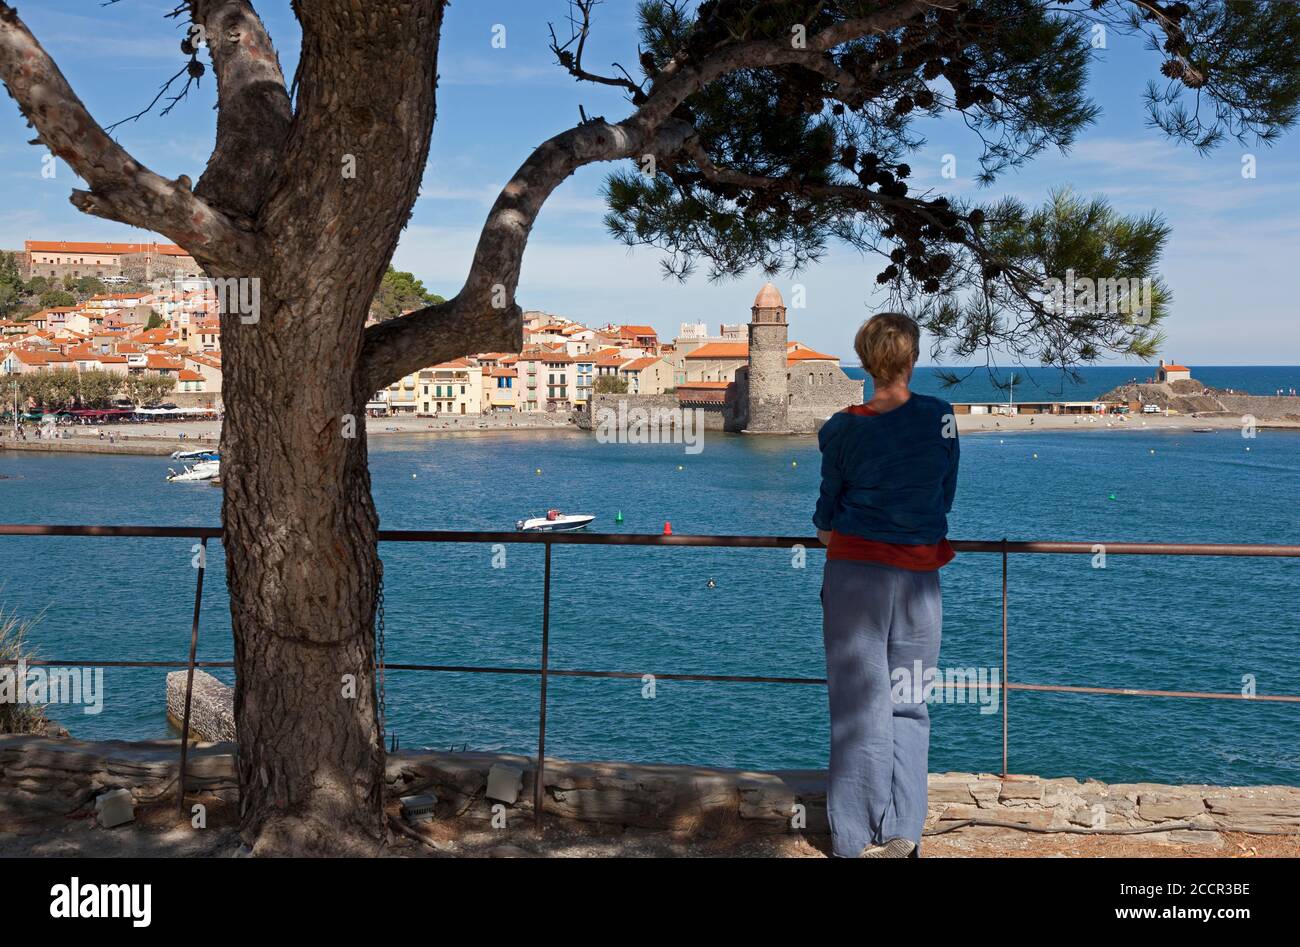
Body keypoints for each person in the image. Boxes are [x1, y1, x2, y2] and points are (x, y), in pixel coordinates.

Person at [814, 312, 960, 858]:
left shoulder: (841, 427)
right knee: (910, 703)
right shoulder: (941, 417)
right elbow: (944, 496)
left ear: (864, 361)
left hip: (857, 577)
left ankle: (856, 839)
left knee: (859, 705)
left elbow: (826, 517)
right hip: (921, 577)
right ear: (911, 359)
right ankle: (904, 833)